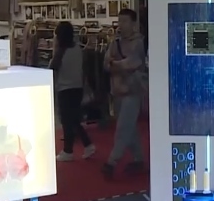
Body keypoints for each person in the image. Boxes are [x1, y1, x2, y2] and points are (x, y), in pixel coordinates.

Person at [102, 9, 146, 178]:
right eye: (120, 21)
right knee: (130, 127)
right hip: (118, 90)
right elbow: (106, 64)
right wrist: (118, 65)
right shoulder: (115, 42)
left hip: (133, 91)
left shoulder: (139, 43)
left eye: (125, 21)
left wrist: (116, 64)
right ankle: (139, 159)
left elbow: (132, 63)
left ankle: (112, 162)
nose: (121, 25)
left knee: (123, 127)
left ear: (134, 24)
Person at [49, 22, 95, 161]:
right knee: (74, 119)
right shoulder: (77, 48)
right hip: (77, 87)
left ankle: (68, 151)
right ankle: (87, 145)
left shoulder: (61, 51)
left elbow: (52, 67)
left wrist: (54, 49)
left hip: (65, 89)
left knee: (67, 121)